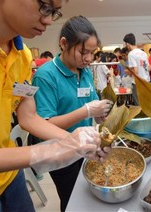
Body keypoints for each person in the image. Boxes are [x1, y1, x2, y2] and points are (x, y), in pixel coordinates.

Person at [0, 1, 110, 211]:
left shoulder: (22, 55)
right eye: (44, 5)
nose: (49, 20)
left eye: (55, 12)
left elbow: (28, 117)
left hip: (10, 174)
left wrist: (75, 142)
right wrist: (43, 153)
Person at [32, 16, 112, 211]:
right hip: (58, 148)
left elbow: (90, 102)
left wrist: (98, 114)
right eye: (83, 52)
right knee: (71, 199)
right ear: (63, 44)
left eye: (93, 53)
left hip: (82, 145)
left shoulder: (84, 71)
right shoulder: (46, 76)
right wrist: (86, 111)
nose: (88, 58)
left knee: (85, 190)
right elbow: (45, 125)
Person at [123, 33, 150, 105]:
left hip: (137, 83)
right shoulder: (143, 53)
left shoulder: (131, 54)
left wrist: (127, 71)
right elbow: (148, 67)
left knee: (138, 105)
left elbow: (135, 71)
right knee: (146, 103)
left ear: (127, 44)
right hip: (146, 81)